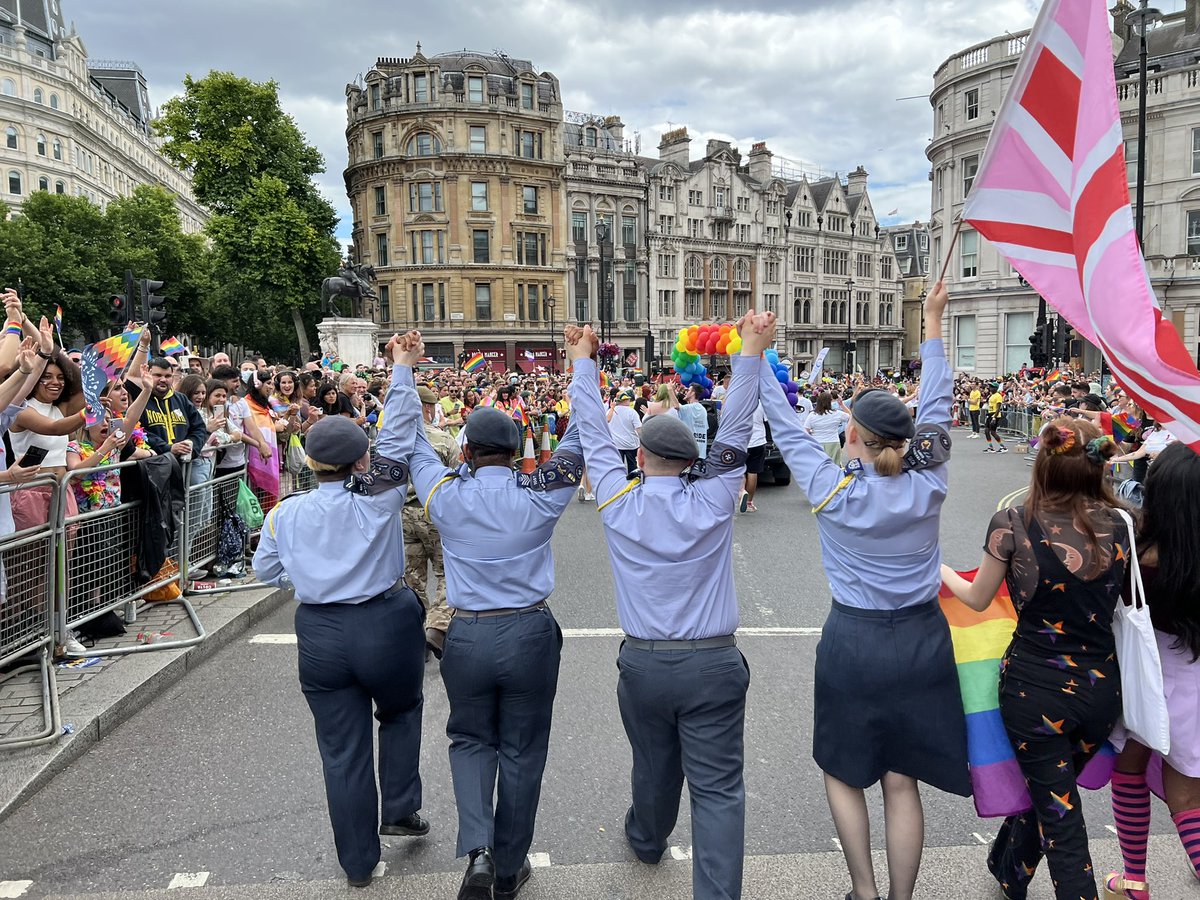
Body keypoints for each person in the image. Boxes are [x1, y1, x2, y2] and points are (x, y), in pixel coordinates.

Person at [763, 283, 968, 900]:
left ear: (851, 435)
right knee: (901, 783)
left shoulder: (833, 489)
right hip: (922, 638)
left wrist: (755, 355)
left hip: (854, 639)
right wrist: (933, 322)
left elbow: (783, 423)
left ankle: (865, 891)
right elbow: (935, 406)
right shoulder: (928, 482)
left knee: (843, 772)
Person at [565, 314, 758, 900]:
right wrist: (749, 351)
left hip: (646, 662)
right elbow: (740, 422)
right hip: (713, 661)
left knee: (653, 762)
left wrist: (582, 358)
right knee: (719, 788)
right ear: (689, 458)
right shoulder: (718, 496)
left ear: (642, 458)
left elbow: (593, 435)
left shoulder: (619, 500)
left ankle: (647, 838)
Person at [403, 336, 584, 900]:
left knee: (471, 740)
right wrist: (582, 363)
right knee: (524, 748)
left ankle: (479, 851)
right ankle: (508, 865)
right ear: (517, 450)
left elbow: (406, 440)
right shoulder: (540, 495)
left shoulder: (445, 495)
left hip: (470, 631)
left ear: (465, 451)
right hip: (529, 628)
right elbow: (583, 438)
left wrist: (403, 369)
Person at [252, 332, 429, 890]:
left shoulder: (286, 512)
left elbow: (265, 572)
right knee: (401, 712)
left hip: (320, 629)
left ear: (308, 459)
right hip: (384, 616)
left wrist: (308, 578)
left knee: (341, 751)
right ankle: (399, 806)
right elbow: (399, 438)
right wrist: (402, 370)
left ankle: (358, 862)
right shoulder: (376, 497)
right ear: (360, 459)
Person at [942, 416, 1128, 900]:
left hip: (1033, 691)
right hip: (1102, 691)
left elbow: (979, 598)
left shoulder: (1013, 523)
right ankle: (1009, 869)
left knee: (1060, 816)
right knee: (1052, 788)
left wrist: (941, 570)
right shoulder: (1124, 526)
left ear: (1044, 464)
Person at [1103, 442, 1200, 899]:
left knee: (1133, 773)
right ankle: (1132, 879)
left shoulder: (1140, 556)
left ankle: (1135, 878)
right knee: (1186, 796)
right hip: (1192, 681)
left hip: (1148, 678)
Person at [403, 385, 459, 659]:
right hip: (433, 511)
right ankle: (436, 626)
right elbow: (455, 473)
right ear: (429, 407)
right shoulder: (443, 438)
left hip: (403, 514)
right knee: (447, 572)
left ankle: (415, 632)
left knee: (413, 578)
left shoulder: (394, 440)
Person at [805, 391, 850, 465]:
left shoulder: (812, 415)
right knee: (833, 466)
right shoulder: (837, 413)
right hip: (833, 442)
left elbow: (805, 431)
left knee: (818, 466)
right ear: (830, 401)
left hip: (817, 442)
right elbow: (850, 417)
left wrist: (811, 432)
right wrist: (841, 405)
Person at [740, 401, 768, 513]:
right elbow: (766, 420)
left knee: (740, 470)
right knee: (753, 471)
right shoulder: (761, 403)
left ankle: (742, 491)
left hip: (741, 440)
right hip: (758, 440)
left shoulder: (740, 400)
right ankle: (749, 503)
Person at [607, 390, 641, 477]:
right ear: (625, 400)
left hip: (616, 443)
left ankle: (618, 484)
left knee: (617, 467)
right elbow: (639, 429)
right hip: (631, 443)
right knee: (632, 466)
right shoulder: (632, 412)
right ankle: (632, 484)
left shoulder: (610, 411)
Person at [677, 383, 709, 460]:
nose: (686, 392)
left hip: (688, 452)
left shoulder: (689, 407)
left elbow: (676, 406)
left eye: (688, 390)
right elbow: (706, 428)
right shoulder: (703, 409)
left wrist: (670, 390)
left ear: (693, 393)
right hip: (701, 452)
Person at [984, 382, 1008, 453]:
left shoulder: (998, 396)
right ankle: (990, 446)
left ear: (996, 388)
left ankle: (1003, 447)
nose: (990, 388)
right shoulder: (992, 395)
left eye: (992, 387)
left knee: (993, 432)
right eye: (990, 387)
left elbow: (998, 408)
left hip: (995, 415)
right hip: (990, 414)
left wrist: (994, 417)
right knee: (986, 431)